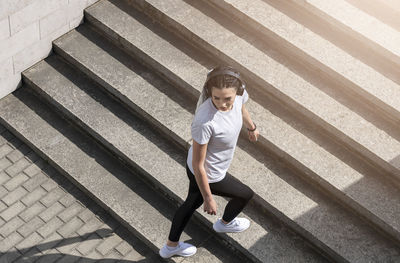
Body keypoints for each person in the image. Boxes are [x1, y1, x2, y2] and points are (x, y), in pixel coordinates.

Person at [159, 66, 259, 258]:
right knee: (245, 194)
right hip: (208, 174)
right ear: (209, 93)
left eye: (227, 98)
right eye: (216, 98)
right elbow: (199, 165)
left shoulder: (239, 96)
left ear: (237, 92)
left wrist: (251, 127)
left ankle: (170, 246)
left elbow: (241, 107)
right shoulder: (205, 121)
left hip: (207, 169)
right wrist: (209, 198)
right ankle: (225, 224)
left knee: (189, 204)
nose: (222, 104)